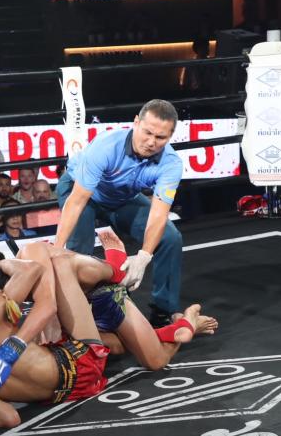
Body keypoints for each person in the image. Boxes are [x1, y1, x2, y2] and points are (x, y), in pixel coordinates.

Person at [0, 241, 212, 428]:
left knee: (118, 346)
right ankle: (116, 270)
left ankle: (173, 326)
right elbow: (34, 274)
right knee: (45, 254)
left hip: (71, 391)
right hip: (82, 357)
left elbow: (9, 419)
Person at [0, 229, 218, 370]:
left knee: (155, 362)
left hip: (103, 292)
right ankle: (168, 331)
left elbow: (48, 306)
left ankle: (185, 320)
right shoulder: (19, 289)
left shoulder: (31, 255)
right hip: (79, 303)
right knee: (112, 348)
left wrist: (13, 348)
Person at [55, 99, 184, 326]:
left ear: (170, 136)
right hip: (81, 190)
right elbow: (76, 202)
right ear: (136, 123)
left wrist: (144, 257)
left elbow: (158, 215)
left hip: (122, 197)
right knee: (78, 249)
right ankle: (73, 308)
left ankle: (163, 310)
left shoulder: (171, 164)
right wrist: (57, 249)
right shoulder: (106, 146)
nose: (151, 142)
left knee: (170, 237)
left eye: (160, 137)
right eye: (147, 132)